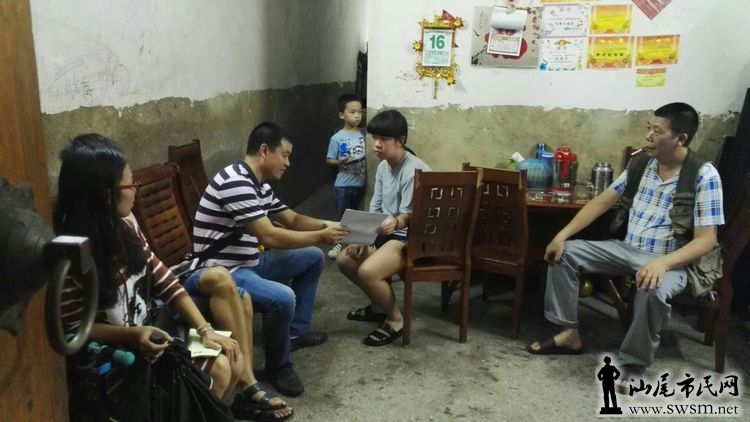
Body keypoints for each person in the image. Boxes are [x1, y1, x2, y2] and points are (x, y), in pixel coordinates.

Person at [56, 134, 291, 421]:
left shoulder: (126, 225)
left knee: (230, 358)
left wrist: (205, 330)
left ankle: (224, 405)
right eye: (130, 185)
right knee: (219, 369)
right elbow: (74, 329)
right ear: (106, 194)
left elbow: (164, 279)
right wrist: (132, 335)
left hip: (157, 335)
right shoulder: (72, 257)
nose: (135, 192)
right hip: (122, 357)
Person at [527, 103, 724, 387]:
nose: (648, 137)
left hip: (673, 260)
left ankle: (634, 364)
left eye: (657, 131)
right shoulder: (641, 164)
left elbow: (706, 240)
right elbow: (602, 201)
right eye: (649, 129)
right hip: (628, 249)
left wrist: (662, 263)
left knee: (653, 286)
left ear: (680, 139)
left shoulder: (704, 175)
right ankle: (568, 333)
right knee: (565, 253)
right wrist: (562, 235)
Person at [184, 121, 349, 396]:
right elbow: (269, 236)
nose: (288, 163)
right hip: (226, 270)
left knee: (312, 257)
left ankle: (295, 332)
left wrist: (331, 225)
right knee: (282, 297)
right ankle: (278, 366)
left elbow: (292, 219)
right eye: (284, 155)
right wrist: (322, 236)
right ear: (264, 150)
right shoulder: (236, 182)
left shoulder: (258, 184)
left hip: (249, 261)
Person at [336, 109, 431, 346]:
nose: (376, 145)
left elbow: (410, 216)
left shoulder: (413, 171)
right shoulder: (383, 166)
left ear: (401, 141)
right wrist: (362, 237)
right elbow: (376, 207)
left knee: (368, 272)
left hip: (409, 238)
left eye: (383, 139)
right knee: (345, 260)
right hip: (386, 233)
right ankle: (379, 306)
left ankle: (396, 319)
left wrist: (395, 222)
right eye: (374, 138)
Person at [326, 94, 366, 259]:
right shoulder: (337, 138)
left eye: (360, 112)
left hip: (361, 184)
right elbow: (329, 159)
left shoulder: (364, 135)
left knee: (357, 217)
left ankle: (353, 244)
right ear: (342, 115)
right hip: (343, 185)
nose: (357, 115)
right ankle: (339, 244)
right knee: (344, 218)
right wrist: (339, 162)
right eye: (352, 112)